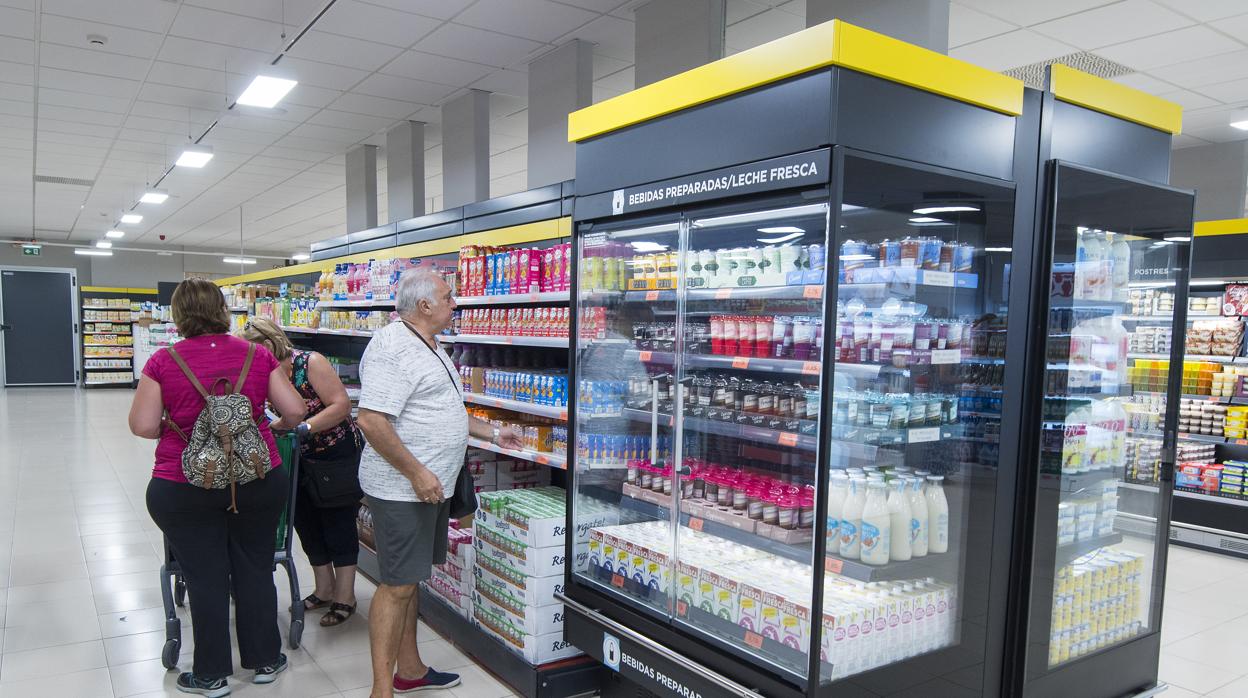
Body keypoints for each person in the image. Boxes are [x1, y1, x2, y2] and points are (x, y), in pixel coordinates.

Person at [129, 278, 306, 698]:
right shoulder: (256, 354)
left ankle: (210, 675)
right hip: (257, 479)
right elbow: (295, 410)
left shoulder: (163, 361)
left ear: (178, 315)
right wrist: (272, 427)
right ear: (222, 311)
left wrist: (176, 431)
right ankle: (265, 659)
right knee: (255, 565)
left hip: (184, 484)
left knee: (204, 574)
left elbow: (142, 425)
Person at [356, 269, 523, 697]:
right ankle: (380, 690)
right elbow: (372, 420)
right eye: (449, 297)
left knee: (409, 579)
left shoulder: (431, 345)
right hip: (403, 489)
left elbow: (442, 408)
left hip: (429, 486)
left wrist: (492, 432)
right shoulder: (393, 348)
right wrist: (417, 472)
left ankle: (408, 670)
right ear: (425, 305)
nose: (456, 303)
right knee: (395, 585)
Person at [238, 317, 364, 628]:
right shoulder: (263, 371)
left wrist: (303, 426)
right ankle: (324, 588)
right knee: (304, 522)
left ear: (268, 345)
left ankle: (345, 596)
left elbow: (341, 405)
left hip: (334, 454)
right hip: (295, 456)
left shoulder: (310, 363)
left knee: (338, 523)